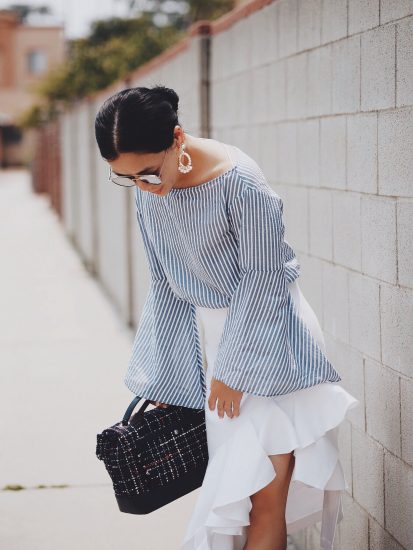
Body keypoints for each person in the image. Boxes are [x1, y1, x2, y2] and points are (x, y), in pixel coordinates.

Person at [94, 84, 360, 550]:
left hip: (270, 339)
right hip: (211, 344)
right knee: (236, 497)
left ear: (177, 139)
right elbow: (165, 284)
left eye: (148, 173)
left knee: (263, 496)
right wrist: (170, 379)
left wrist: (235, 370)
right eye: (127, 177)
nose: (142, 186)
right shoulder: (148, 190)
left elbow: (265, 280)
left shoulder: (241, 183)